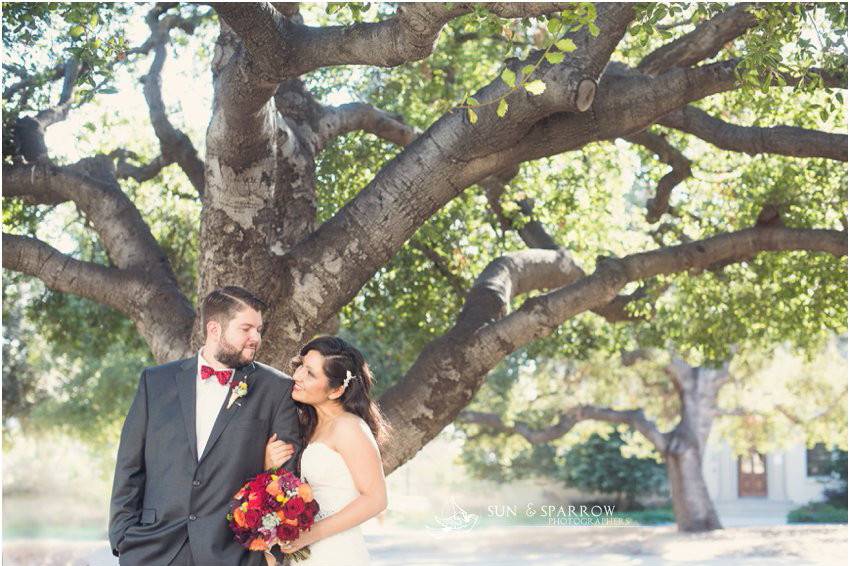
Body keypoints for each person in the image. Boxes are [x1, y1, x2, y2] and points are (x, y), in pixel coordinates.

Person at [109, 286, 300, 566]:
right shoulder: (155, 382)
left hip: (234, 552)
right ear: (214, 329)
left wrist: (271, 552)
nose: (255, 338)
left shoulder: (276, 389)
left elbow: (287, 477)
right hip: (153, 549)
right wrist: (122, 538)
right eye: (246, 328)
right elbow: (129, 466)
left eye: (258, 329)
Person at [263, 336, 389, 566]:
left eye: (310, 373)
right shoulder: (306, 426)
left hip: (336, 553)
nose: (297, 375)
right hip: (304, 553)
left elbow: (376, 499)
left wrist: (311, 534)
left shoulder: (348, 426)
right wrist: (269, 464)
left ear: (337, 390)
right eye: (301, 365)